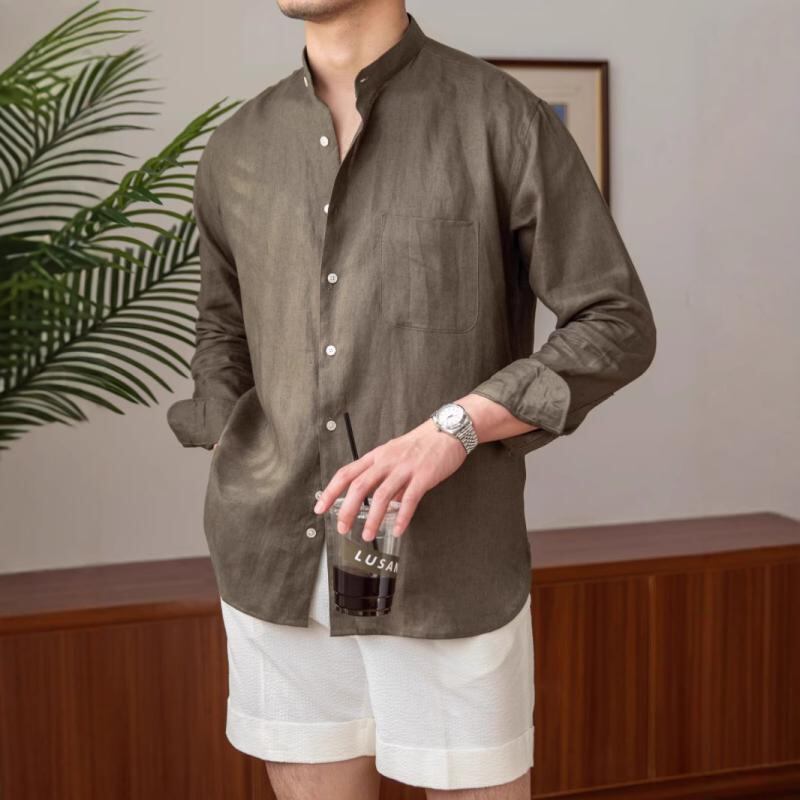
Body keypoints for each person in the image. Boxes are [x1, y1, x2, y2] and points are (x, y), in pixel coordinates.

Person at [166, 2, 657, 798]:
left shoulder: (501, 119)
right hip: (275, 564)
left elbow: (615, 321)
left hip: (446, 564)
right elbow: (221, 330)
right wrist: (234, 440)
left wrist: (456, 428)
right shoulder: (238, 146)